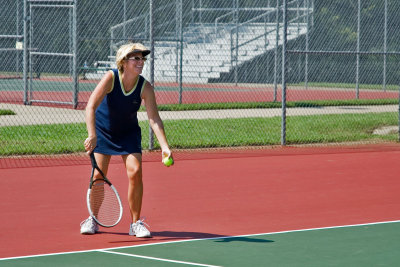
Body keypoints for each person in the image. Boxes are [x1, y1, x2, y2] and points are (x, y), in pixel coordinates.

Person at [80, 43, 173, 237]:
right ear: (124, 62)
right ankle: (93, 219)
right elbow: (90, 106)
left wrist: (165, 146)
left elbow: (154, 119)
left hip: (128, 133)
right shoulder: (111, 77)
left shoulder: (145, 86)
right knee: (98, 177)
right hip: (103, 132)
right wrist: (92, 135)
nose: (141, 62)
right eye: (136, 58)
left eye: (142, 59)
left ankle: (135, 223)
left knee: (136, 172)